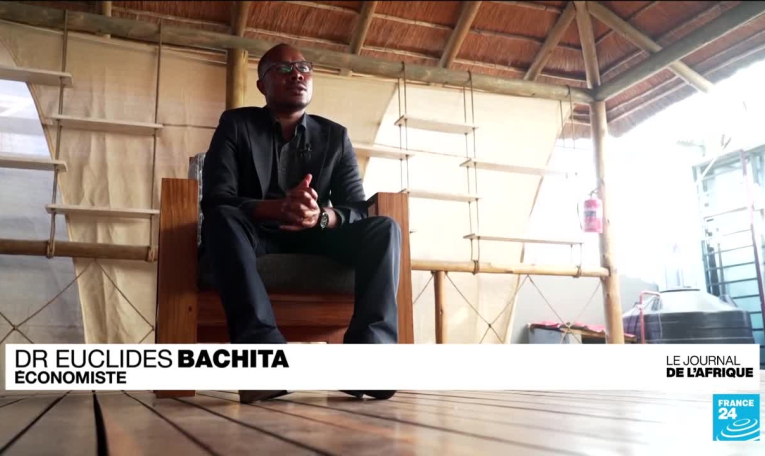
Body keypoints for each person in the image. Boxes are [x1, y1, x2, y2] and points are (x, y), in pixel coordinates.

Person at [200, 43, 400, 403]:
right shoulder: (236, 124)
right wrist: (276, 209)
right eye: (282, 69)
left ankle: (368, 364)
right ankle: (264, 361)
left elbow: (356, 207)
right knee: (221, 217)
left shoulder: (335, 136)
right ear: (261, 85)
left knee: (384, 228)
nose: (297, 74)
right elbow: (218, 197)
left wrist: (320, 216)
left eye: (304, 68)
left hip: (316, 235)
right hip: (254, 233)